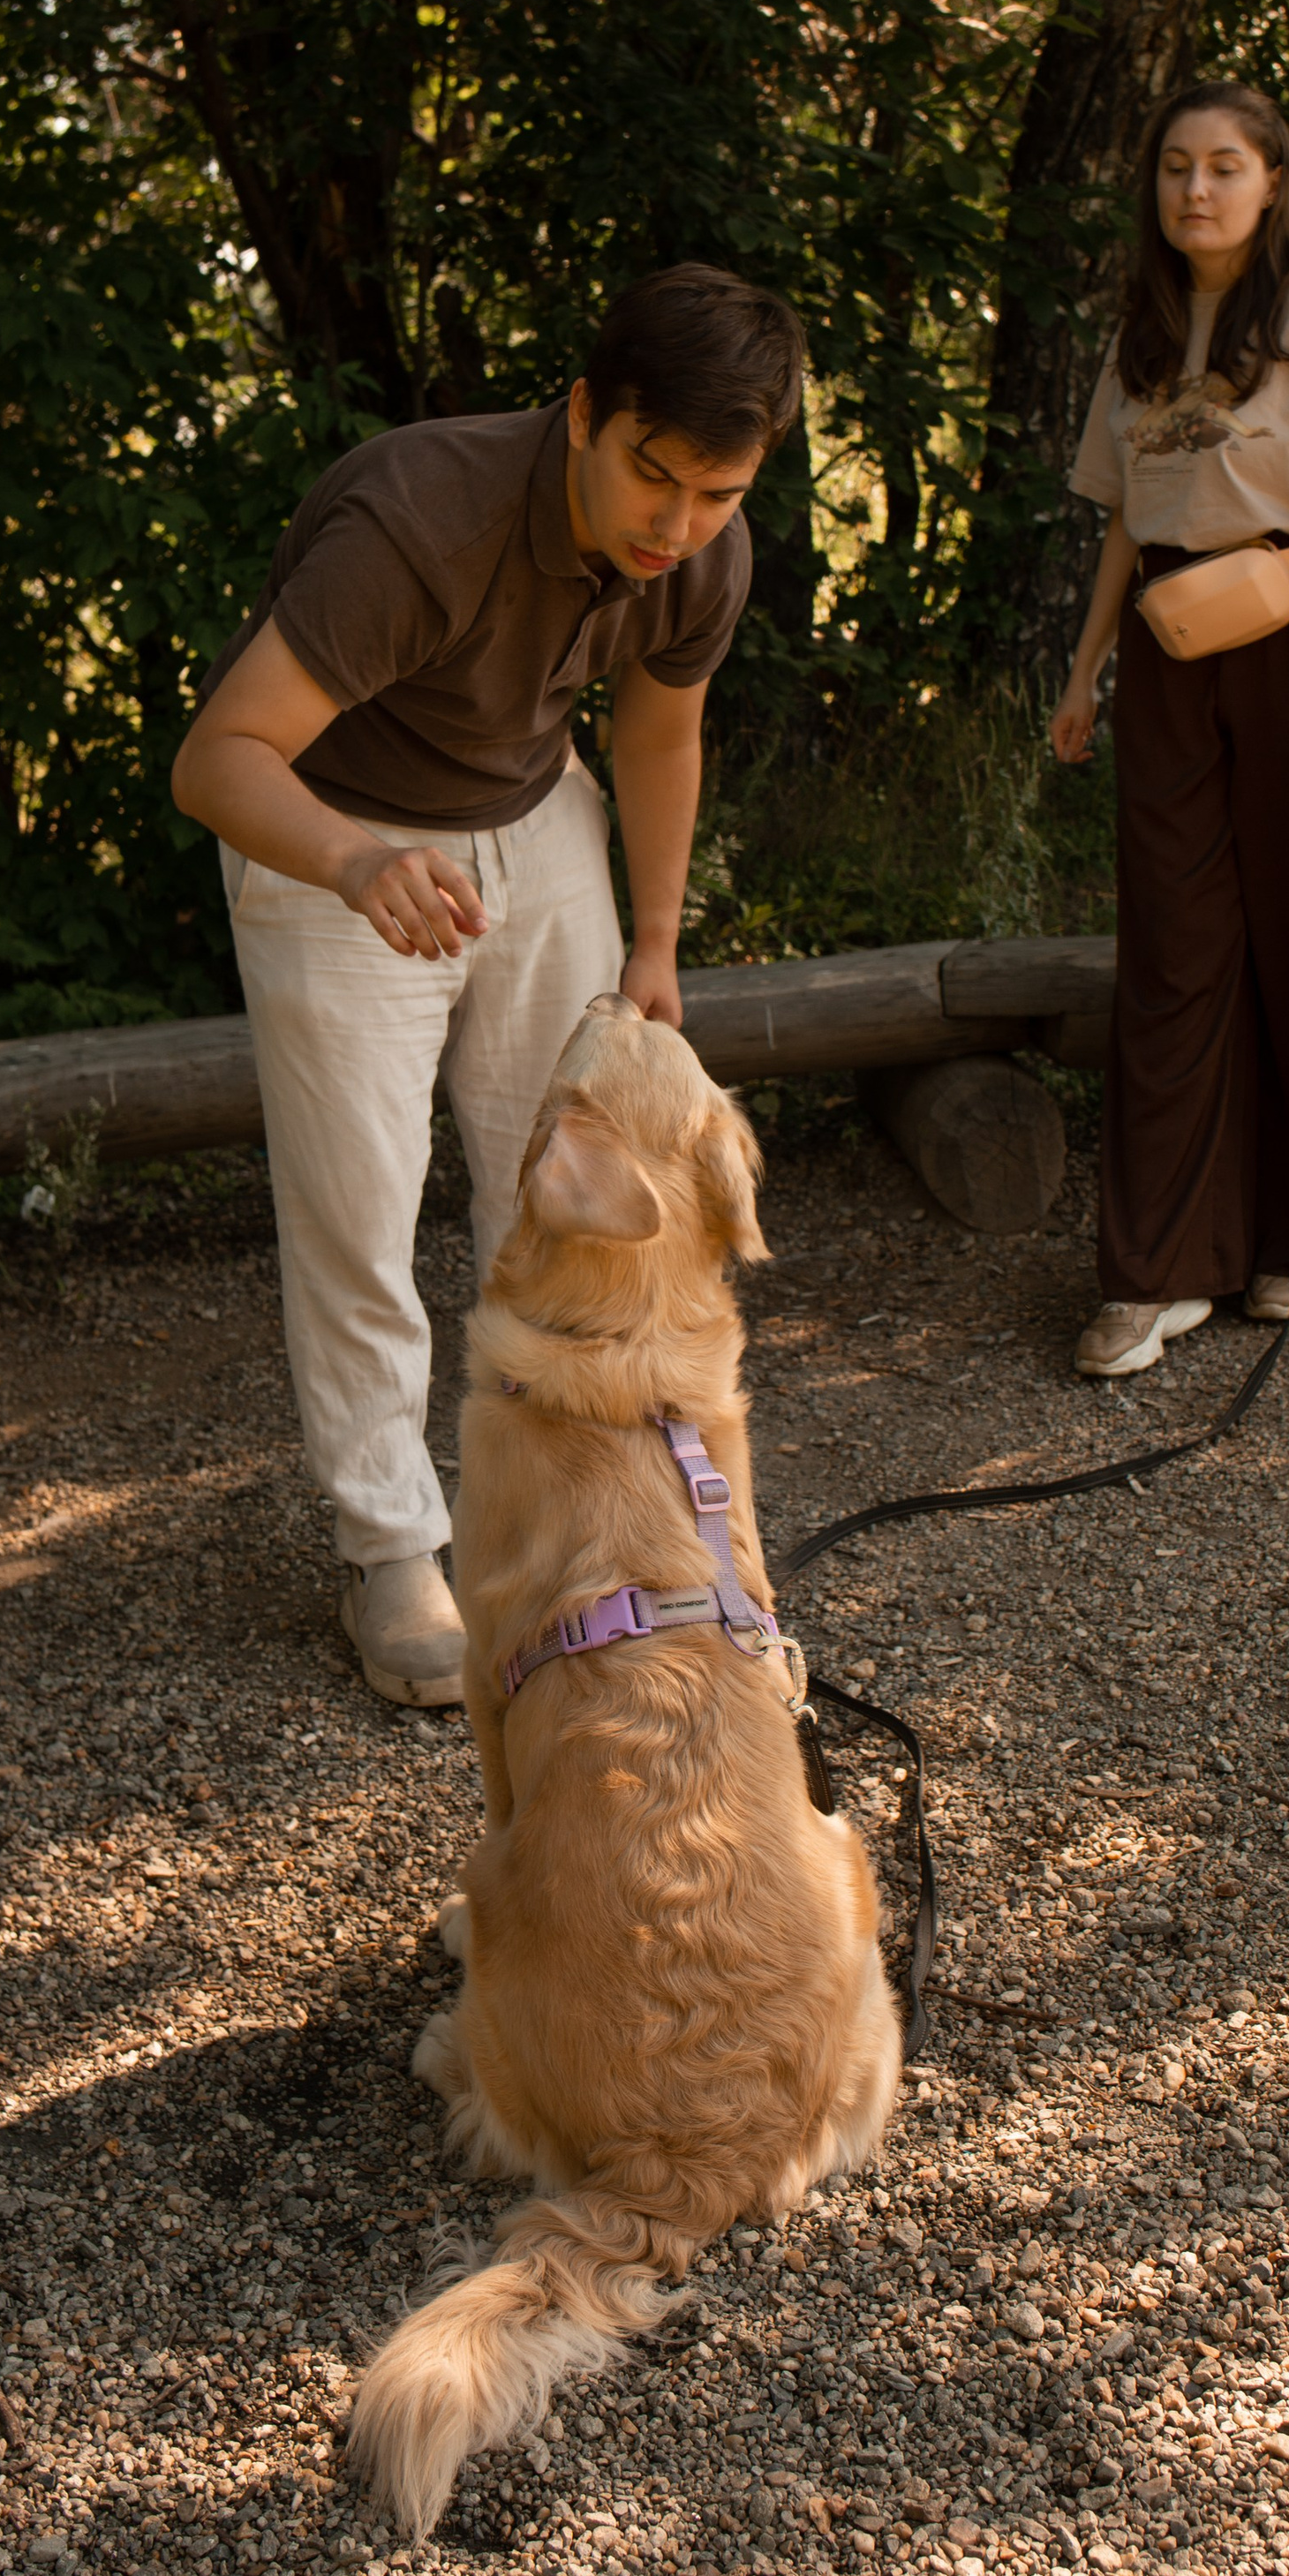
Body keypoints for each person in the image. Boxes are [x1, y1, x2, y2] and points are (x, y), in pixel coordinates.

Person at [170, 266, 803, 1703]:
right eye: (654, 478)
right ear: (585, 412)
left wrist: (652, 939)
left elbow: (656, 734)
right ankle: (391, 1547)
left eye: (717, 493)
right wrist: (351, 862)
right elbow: (217, 760)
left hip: (537, 814)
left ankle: (579, 1502)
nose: (679, 526)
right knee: (359, 1207)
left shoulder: (705, 546)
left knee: (583, 1186)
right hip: (334, 825)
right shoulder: (420, 524)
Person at [1049, 81, 1289, 1378]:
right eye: (1172, 169)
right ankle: (1161, 1268)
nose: (1194, 191)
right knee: (1173, 950)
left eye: (1223, 168)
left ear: (1272, 180)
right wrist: (1086, 670)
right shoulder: (1147, 327)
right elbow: (1122, 519)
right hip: (1168, 654)